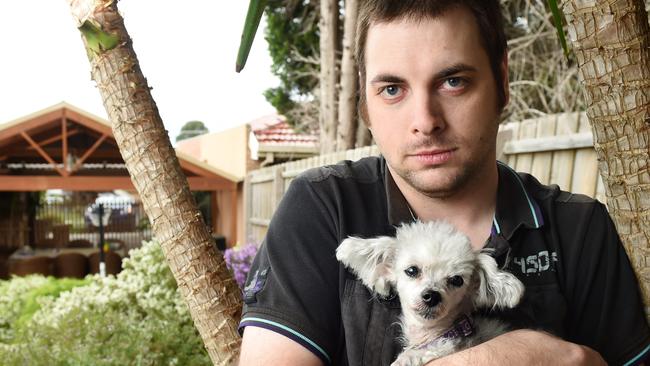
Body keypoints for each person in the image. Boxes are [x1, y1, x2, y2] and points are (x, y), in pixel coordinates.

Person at [238, 1, 650, 365]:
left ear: (502, 81)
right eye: (393, 88)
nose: (425, 121)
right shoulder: (323, 206)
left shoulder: (579, 227)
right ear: (364, 101)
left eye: (453, 81)